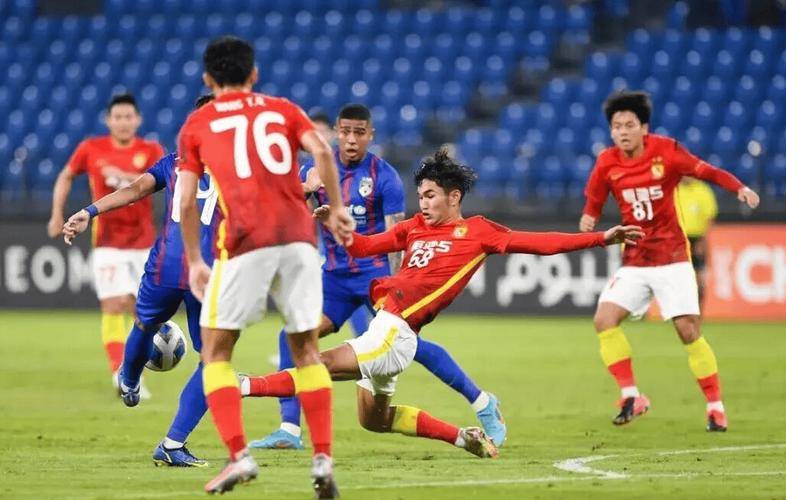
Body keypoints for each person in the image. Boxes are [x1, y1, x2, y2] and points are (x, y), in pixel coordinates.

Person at [240, 148, 642, 459]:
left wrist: (601, 238)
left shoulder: (478, 232)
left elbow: (541, 243)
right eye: (420, 195)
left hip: (396, 333)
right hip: (386, 328)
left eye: (430, 196)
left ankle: (241, 386)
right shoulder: (414, 227)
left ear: (454, 197)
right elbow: (363, 247)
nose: (424, 203)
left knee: (319, 364)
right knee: (374, 421)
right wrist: (333, 222)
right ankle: (463, 437)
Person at [252, 104, 506, 451]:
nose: (351, 139)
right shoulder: (315, 172)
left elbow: (396, 238)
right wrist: (306, 190)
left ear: (370, 135)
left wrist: (403, 286)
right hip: (335, 280)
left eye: (359, 133)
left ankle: (481, 401)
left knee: (409, 346)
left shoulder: (384, 177)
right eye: (345, 131)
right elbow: (290, 216)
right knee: (292, 335)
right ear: (336, 132)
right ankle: (289, 429)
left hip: (375, 276)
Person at [177, 36, 354, 496]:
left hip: (244, 242)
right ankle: (322, 459)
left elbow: (186, 200)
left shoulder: (197, 123)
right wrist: (337, 207)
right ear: (254, 74)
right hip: (299, 240)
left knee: (215, 353)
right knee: (307, 351)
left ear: (208, 79)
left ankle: (238, 456)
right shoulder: (282, 109)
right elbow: (321, 151)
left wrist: (194, 259)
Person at [579, 90, 760, 431]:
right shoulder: (607, 162)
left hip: (672, 257)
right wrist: (589, 216)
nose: (622, 132)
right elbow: (595, 196)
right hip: (635, 260)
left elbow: (705, 171)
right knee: (604, 320)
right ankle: (631, 396)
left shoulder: (666, 151)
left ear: (644, 128)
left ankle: (715, 407)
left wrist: (738, 188)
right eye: (616, 126)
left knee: (687, 330)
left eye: (629, 125)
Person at [62, 94, 219, 468]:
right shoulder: (243, 169)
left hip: (165, 268)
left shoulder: (175, 161)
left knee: (145, 324)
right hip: (209, 273)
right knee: (214, 360)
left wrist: (90, 211)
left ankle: (129, 380)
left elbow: (134, 189)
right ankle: (173, 443)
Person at [48, 93, 164, 393]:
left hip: (144, 244)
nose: (123, 122)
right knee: (113, 304)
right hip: (107, 243)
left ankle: (133, 370)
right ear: (108, 120)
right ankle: (120, 375)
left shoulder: (151, 150)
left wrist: (124, 176)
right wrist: (57, 213)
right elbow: (66, 176)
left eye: (128, 117)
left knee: (144, 312)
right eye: (118, 117)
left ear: (138, 120)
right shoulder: (91, 148)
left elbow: (159, 181)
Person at [676, 176, 718, 305]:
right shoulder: (674, 189)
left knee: (699, 277)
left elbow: (709, 218)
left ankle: (698, 311)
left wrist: (703, 240)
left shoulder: (703, 190)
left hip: (697, 239)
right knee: (678, 277)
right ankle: (680, 310)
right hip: (678, 239)